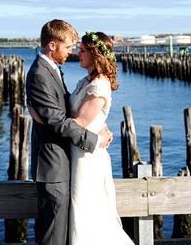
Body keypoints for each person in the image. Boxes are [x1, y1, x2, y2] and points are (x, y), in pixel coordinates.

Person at [27, 20, 113, 245]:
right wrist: (94, 140)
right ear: (53, 45)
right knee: (54, 233)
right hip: (53, 166)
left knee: (68, 228)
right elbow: (58, 120)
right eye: (69, 47)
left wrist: (43, 119)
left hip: (69, 162)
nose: (73, 52)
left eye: (79, 49)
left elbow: (60, 116)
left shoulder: (53, 70)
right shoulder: (40, 74)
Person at [66, 31, 133, 245]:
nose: (78, 53)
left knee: (85, 212)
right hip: (80, 151)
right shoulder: (87, 81)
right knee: (82, 211)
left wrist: (43, 119)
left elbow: (79, 123)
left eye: (83, 50)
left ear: (96, 54)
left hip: (87, 157)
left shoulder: (99, 85)